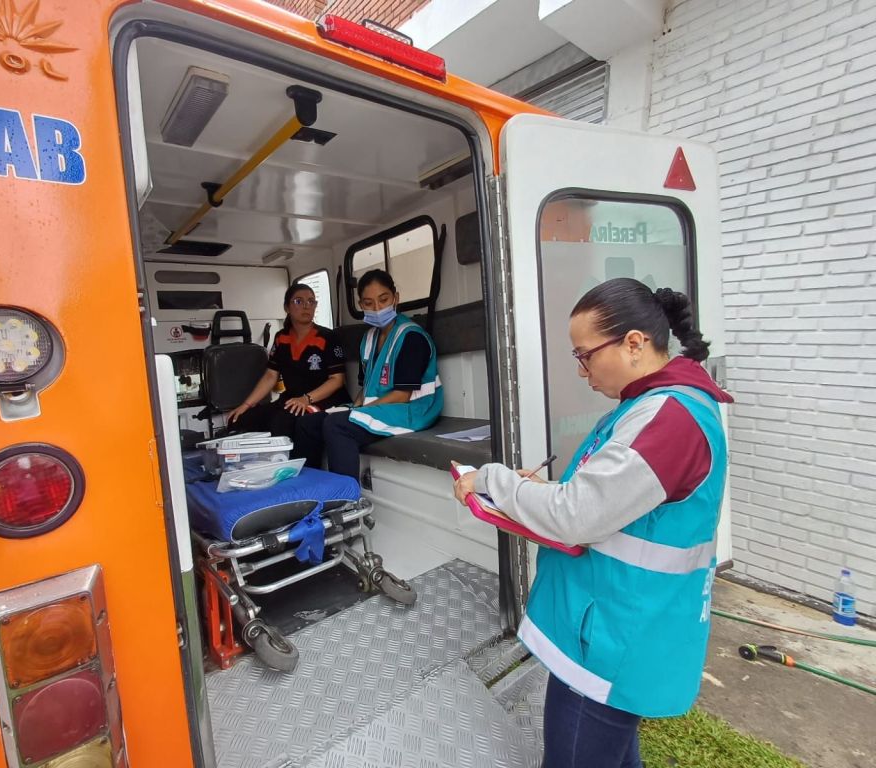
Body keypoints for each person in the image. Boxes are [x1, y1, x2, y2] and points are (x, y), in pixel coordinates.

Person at [453, 277, 732, 768]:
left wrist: (493, 479)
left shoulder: (670, 419)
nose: (582, 371)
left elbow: (576, 515)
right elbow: (605, 500)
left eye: (585, 355)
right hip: (614, 624)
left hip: (612, 635)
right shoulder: (650, 404)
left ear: (634, 343)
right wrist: (538, 492)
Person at [295, 269, 442, 478]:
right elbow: (366, 388)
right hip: (380, 408)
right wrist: (355, 407)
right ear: (361, 305)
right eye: (369, 303)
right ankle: (311, 487)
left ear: (396, 298)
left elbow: (402, 395)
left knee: (337, 425)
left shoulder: (411, 337)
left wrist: (360, 411)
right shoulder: (369, 338)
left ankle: (345, 496)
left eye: (383, 300)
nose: (377, 308)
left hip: (411, 411)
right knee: (307, 423)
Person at [228, 283, 349, 438]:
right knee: (239, 419)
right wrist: (246, 405)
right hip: (292, 400)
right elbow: (270, 376)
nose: (306, 306)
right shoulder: (281, 338)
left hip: (324, 400)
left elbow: (337, 380)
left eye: (311, 301)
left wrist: (306, 399)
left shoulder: (328, 337)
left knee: (280, 423)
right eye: (299, 301)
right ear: (287, 307)